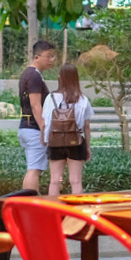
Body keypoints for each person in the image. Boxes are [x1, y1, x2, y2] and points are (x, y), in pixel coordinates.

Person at [41, 63, 93, 197]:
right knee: (76, 181)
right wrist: (87, 147)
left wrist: (45, 139)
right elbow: (86, 126)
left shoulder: (50, 98)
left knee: (54, 181)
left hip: (55, 142)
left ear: (60, 77)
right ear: (76, 78)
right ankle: (77, 209)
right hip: (76, 142)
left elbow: (46, 123)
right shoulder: (83, 99)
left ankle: (53, 209)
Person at [17, 40, 56, 192]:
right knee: (34, 170)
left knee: (33, 168)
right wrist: (43, 129)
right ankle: (30, 202)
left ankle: (28, 201)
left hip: (26, 127)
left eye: (53, 56)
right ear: (37, 57)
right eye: (48, 56)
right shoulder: (34, 76)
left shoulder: (29, 74)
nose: (52, 60)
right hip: (34, 129)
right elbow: (35, 105)